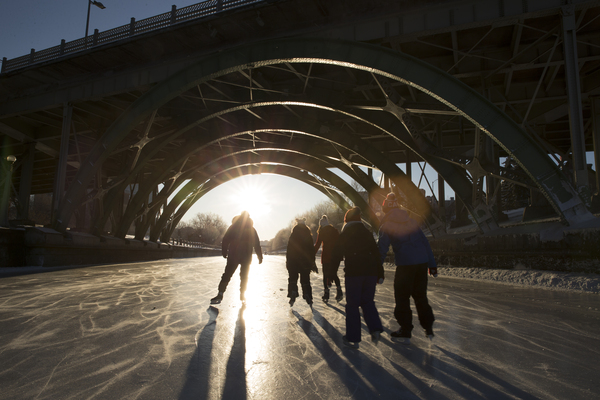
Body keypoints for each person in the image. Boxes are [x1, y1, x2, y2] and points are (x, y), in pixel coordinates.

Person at [377, 193, 437, 344]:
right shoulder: (411, 222)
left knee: (402, 296)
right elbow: (425, 243)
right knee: (420, 296)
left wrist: (377, 268)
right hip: (422, 263)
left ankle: (405, 329)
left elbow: (381, 249)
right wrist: (432, 264)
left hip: (405, 264)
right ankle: (428, 327)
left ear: (385, 208)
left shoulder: (386, 225)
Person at [332, 207, 384, 349]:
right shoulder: (367, 233)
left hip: (354, 273)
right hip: (371, 272)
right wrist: (380, 272)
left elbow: (337, 253)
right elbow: (376, 253)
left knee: (353, 305)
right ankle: (375, 328)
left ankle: (353, 337)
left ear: (346, 220)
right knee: (367, 301)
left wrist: (331, 272)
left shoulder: (346, 232)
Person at [210, 211, 263, 304]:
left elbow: (225, 239)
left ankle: (220, 293)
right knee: (244, 276)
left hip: (233, 255)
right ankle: (243, 293)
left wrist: (224, 251)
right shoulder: (252, 229)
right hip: (246, 256)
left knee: (227, 275)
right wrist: (260, 256)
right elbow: (257, 244)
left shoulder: (233, 227)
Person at [286, 218, 317, 307]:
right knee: (305, 280)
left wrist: (288, 262)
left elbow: (289, 250)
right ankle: (307, 295)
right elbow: (312, 250)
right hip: (305, 262)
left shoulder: (293, 235)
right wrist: (312, 262)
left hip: (293, 261)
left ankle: (293, 292)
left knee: (293, 279)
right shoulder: (308, 235)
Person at [314, 215, 343, 303]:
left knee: (326, 274)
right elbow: (340, 242)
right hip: (336, 256)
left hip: (327, 256)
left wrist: (311, 254)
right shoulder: (334, 230)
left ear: (321, 225)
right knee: (334, 273)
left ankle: (326, 293)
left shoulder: (322, 232)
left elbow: (317, 244)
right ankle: (339, 291)